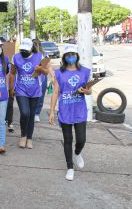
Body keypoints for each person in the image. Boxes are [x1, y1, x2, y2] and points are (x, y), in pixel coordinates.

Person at [48, 44, 92, 181]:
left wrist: (87, 91)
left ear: (77, 56)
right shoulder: (59, 73)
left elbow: (89, 90)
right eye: (68, 55)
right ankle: (70, 168)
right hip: (65, 109)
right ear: (64, 57)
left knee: (81, 139)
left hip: (79, 110)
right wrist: (51, 111)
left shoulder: (84, 71)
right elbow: (55, 92)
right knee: (68, 139)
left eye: (73, 54)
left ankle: (77, 153)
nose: (70, 57)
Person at [9, 38, 47, 149]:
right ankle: (23, 135)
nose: (24, 52)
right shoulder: (16, 57)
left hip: (35, 89)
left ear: (31, 48)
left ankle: (29, 138)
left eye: (26, 49)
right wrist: (11, 89)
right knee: (25, 113)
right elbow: (12, 73)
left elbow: (46, 71)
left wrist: (40, 68)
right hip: (21, 89)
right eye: (23, 50)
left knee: (31, 115)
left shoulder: (40, 56)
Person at [32, 38, 54, 122]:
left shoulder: (44, 55)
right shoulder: (28, 55)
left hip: (42, 78)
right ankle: (32, 112)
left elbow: (49, 66)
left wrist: (53, 77)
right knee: (33, 96)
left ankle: (37, 114)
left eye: (36, 45)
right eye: (34, 45)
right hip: (32, 78)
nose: (35, 46)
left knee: (40, 97)